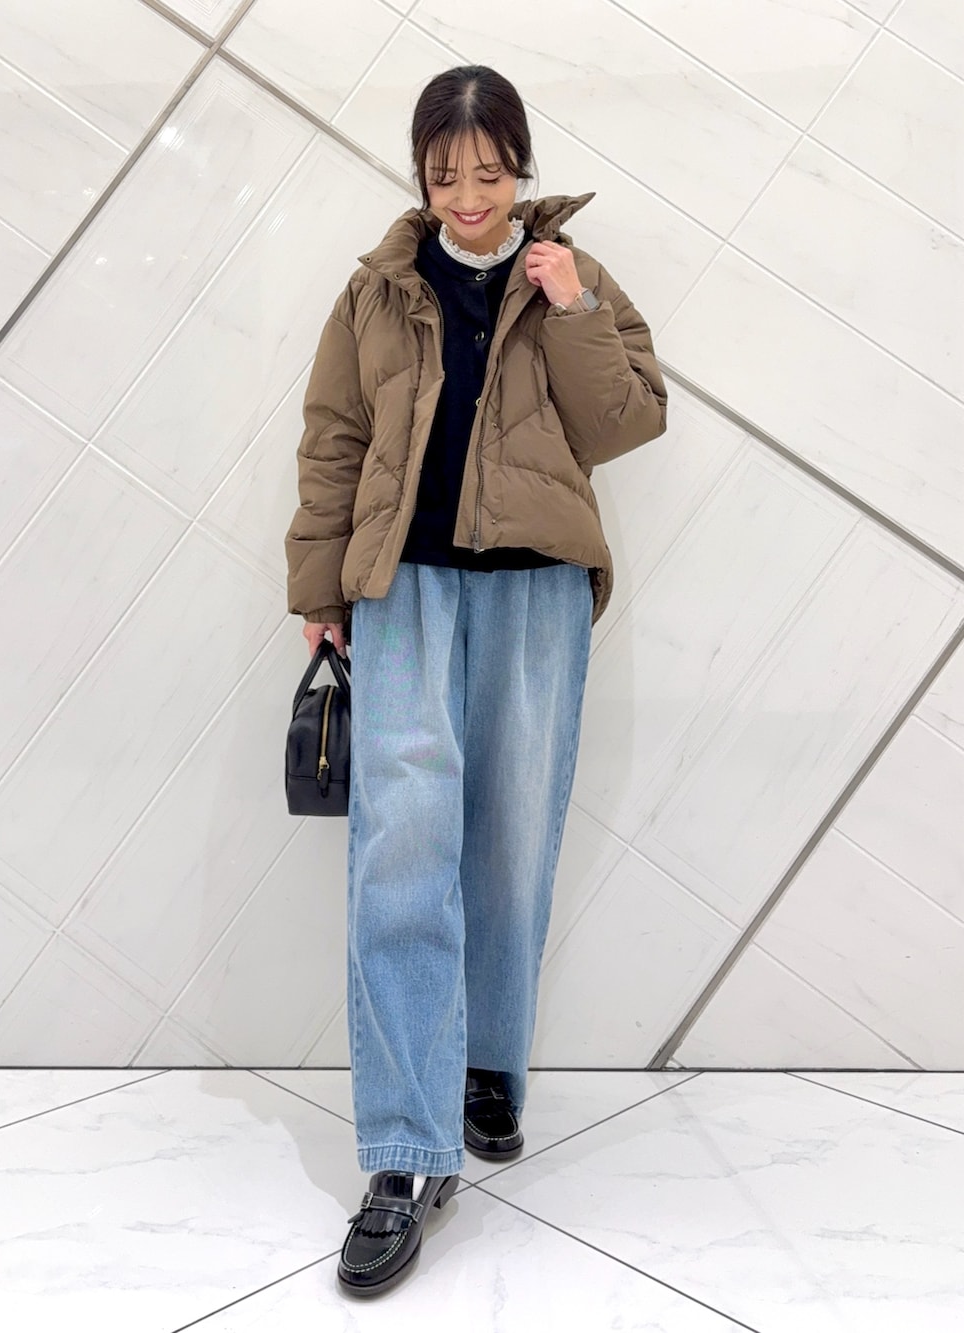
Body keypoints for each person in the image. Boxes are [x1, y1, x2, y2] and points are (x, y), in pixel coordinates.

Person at [283, 64, 668, 1297]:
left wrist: (571, 309)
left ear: (520, 168)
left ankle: (487, 1061)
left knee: (507, 835)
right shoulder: (376, 290)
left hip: (535, 594)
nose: (466, 195)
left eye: (488, 172)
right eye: (444, 174)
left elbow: (626, 423)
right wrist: (320, 589)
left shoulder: (575, 278)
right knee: (400, 845)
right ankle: (404, 1152)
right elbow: (335, 437)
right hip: (403, 594)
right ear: (420, 174)